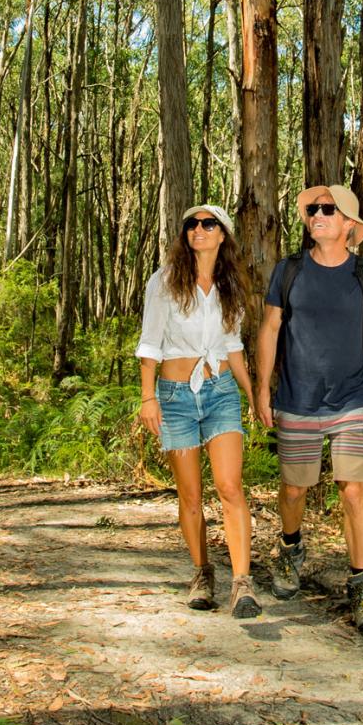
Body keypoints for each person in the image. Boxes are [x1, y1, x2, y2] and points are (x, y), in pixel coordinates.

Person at [254, 182, 363, 634]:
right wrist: (262, 389)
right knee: (294, 491)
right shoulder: (289, 270)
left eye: (328, 210)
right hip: (296, 399)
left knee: (353, 490)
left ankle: (361, 585)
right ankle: (291, 548)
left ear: (348, 225)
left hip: (352, 400)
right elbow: (269, 330)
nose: (317, 214)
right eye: (313, 209)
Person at [136, 203, 262, 618]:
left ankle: (242, 584)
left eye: (208, 224)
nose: (198, 230)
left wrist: (255, 394)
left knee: (229, 486)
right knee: (190, 495)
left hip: (221, 391)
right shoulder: (166, 282)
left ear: (222, 235)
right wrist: (148, 397)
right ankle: (202, 572)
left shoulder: (230, 287)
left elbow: (234, 348)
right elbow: (150, 345)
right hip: (174, 397)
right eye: (191, 224)